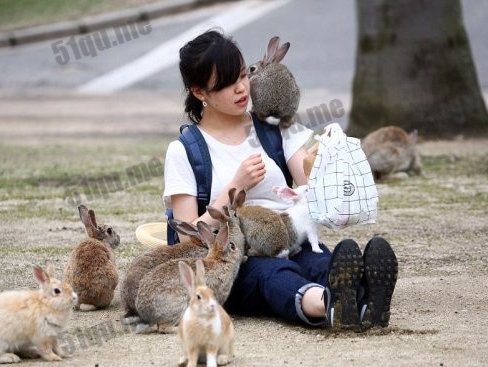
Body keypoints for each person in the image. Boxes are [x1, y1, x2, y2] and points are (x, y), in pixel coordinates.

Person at [163, 29, 398, 329]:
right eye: (226, 84)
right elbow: (187, 237)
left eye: (242, 76)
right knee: (273, 276)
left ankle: (366, 306)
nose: (241, 89)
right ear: (199, 93)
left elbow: (309, 182)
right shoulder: (185, 150)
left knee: (322, 263)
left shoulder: (273, 126)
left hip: (291, 239)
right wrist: (236, 186)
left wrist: (327, 156)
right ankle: (333, 305)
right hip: (237, 259)